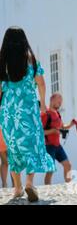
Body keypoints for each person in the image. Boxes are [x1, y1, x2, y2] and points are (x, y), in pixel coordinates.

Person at [0, 27, 56, 202]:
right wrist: (43, 103)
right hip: (28, 110)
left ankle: (17, 188)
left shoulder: (2, 62)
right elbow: (41, 83)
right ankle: (30, 183)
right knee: (32, 145)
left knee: (13, 148)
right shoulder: (31, 61)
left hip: (9, 113)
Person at [41, 93, 77, 185]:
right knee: (50, 170)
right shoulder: (46, 114)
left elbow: (61, 127)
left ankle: (68, 185)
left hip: (57, 145)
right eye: (59, 101)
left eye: (61, 102)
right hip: (48, 146)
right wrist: (53, 131)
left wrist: (72, 123)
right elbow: (40, 132)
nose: (60, 103)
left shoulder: (57, 114)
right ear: (52, 100)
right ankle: (47, 189)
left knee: (68, 165)